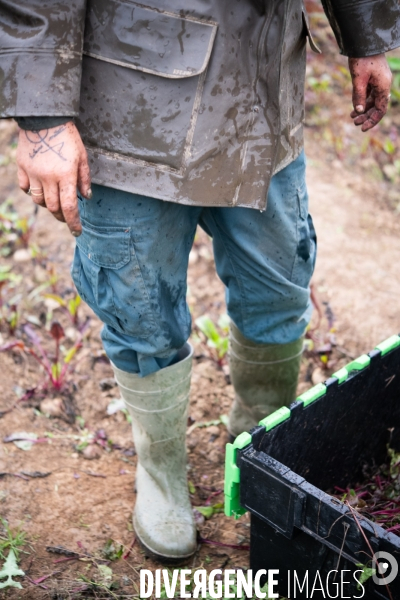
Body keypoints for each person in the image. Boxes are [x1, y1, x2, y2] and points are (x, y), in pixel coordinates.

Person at [1, 0, 399, 563]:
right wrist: (41, 120)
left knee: (280, 281)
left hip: (263, 92)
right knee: (139, 302)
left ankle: (261, 437)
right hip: (132, 103)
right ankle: (161, 470)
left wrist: (366, 37)